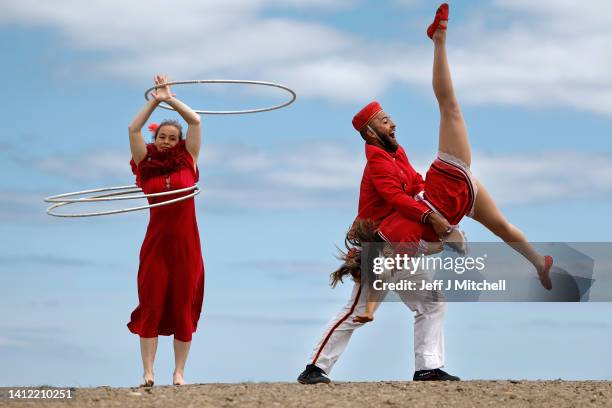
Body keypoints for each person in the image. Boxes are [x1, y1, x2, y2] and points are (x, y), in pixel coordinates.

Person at [297, 3, 553, 384]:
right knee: (359, 310)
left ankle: (427, 367)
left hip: (407, 238)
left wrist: (436, 213)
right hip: (382, 244)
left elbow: (415, 185)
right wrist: (433, 216)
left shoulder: (395, 155)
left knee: (430, 302)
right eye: (384, 120)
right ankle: (315, 369)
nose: (393, 122)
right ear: (370, 131)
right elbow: (399, 198)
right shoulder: (377, 162)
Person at [126, 74, 205, 387]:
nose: (167, 142)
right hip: (156, 246)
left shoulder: (189, 159)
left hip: (187, 247)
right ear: (155, 138)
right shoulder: (144, 163)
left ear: (180, 141)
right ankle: (148, 372)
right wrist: (153, 102)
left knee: (183, 308)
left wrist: (169, 98)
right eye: (163, 137)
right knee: (152, 305)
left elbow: (196, 121)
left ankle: (179, 373)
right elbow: (133, 129)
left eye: (173, 137)